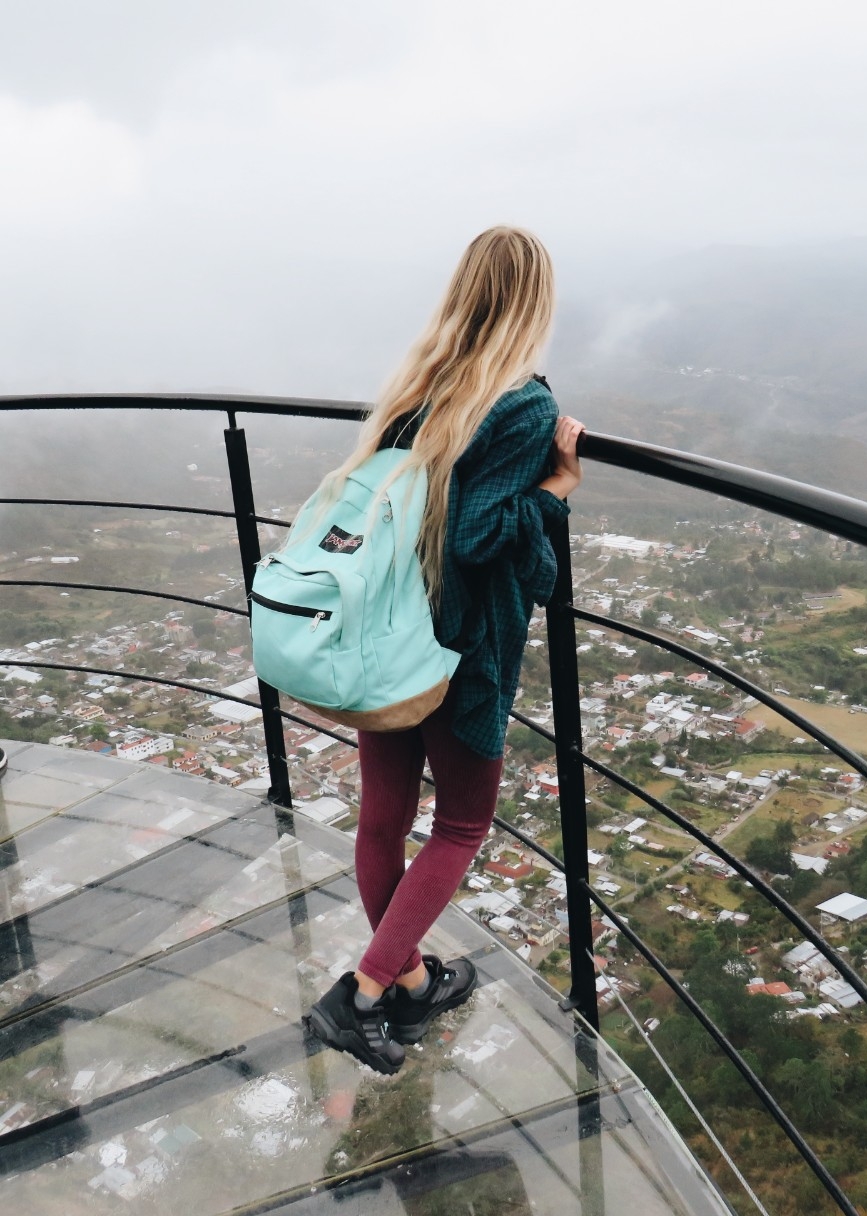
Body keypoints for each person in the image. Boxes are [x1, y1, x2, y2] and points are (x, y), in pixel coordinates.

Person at [306, 227, 585, 1074]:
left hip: (384, 635)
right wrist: (555, 488)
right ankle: (359, 996)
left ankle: (414, 979)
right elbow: (479, 535)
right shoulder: (523, 404)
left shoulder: (418, 385)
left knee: (384, 815)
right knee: (462, 825)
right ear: (536, 304)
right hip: (458, 647)